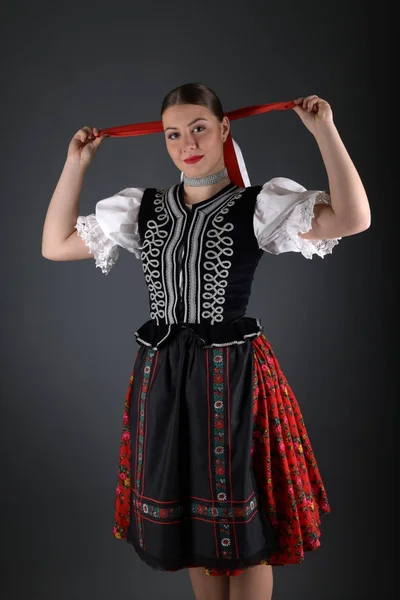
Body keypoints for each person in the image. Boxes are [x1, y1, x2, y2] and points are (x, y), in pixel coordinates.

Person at [41, 83, 370, 600]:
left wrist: (324, 131)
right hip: (165, 381)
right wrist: (75, 164)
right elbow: (55, 245)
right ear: (165, 141)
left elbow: (353, 219)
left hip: (234, 379)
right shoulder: (142, 208)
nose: (187, 143)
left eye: (198, 128)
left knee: (240, 521)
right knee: (192, 521)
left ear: (223, 130)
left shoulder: (256, 205)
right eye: (174, 133)